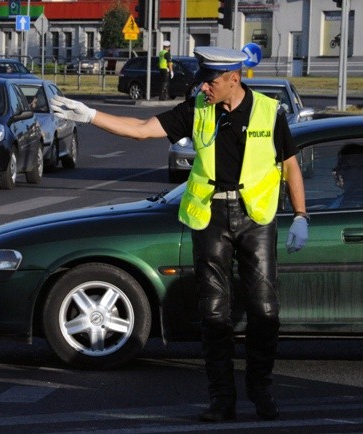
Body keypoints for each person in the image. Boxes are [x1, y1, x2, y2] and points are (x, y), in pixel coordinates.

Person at [51, 46, 309, 423]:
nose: (204, 87)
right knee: (214, 313)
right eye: (203, 81)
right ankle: (222, 399)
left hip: (256, 218)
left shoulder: (270, 113)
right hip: (210, 217)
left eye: (211, 81)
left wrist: (301, 215)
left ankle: (261, 390)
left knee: (264, 310)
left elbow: (291, 166)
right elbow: (141, 130)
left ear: (233, 79)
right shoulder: (197, 110)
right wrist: (91, 115)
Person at [329, 143, 363, 209]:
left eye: (345, 167)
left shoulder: (355, 203)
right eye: (338, 167)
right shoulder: (349, 196)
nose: (335, 172)